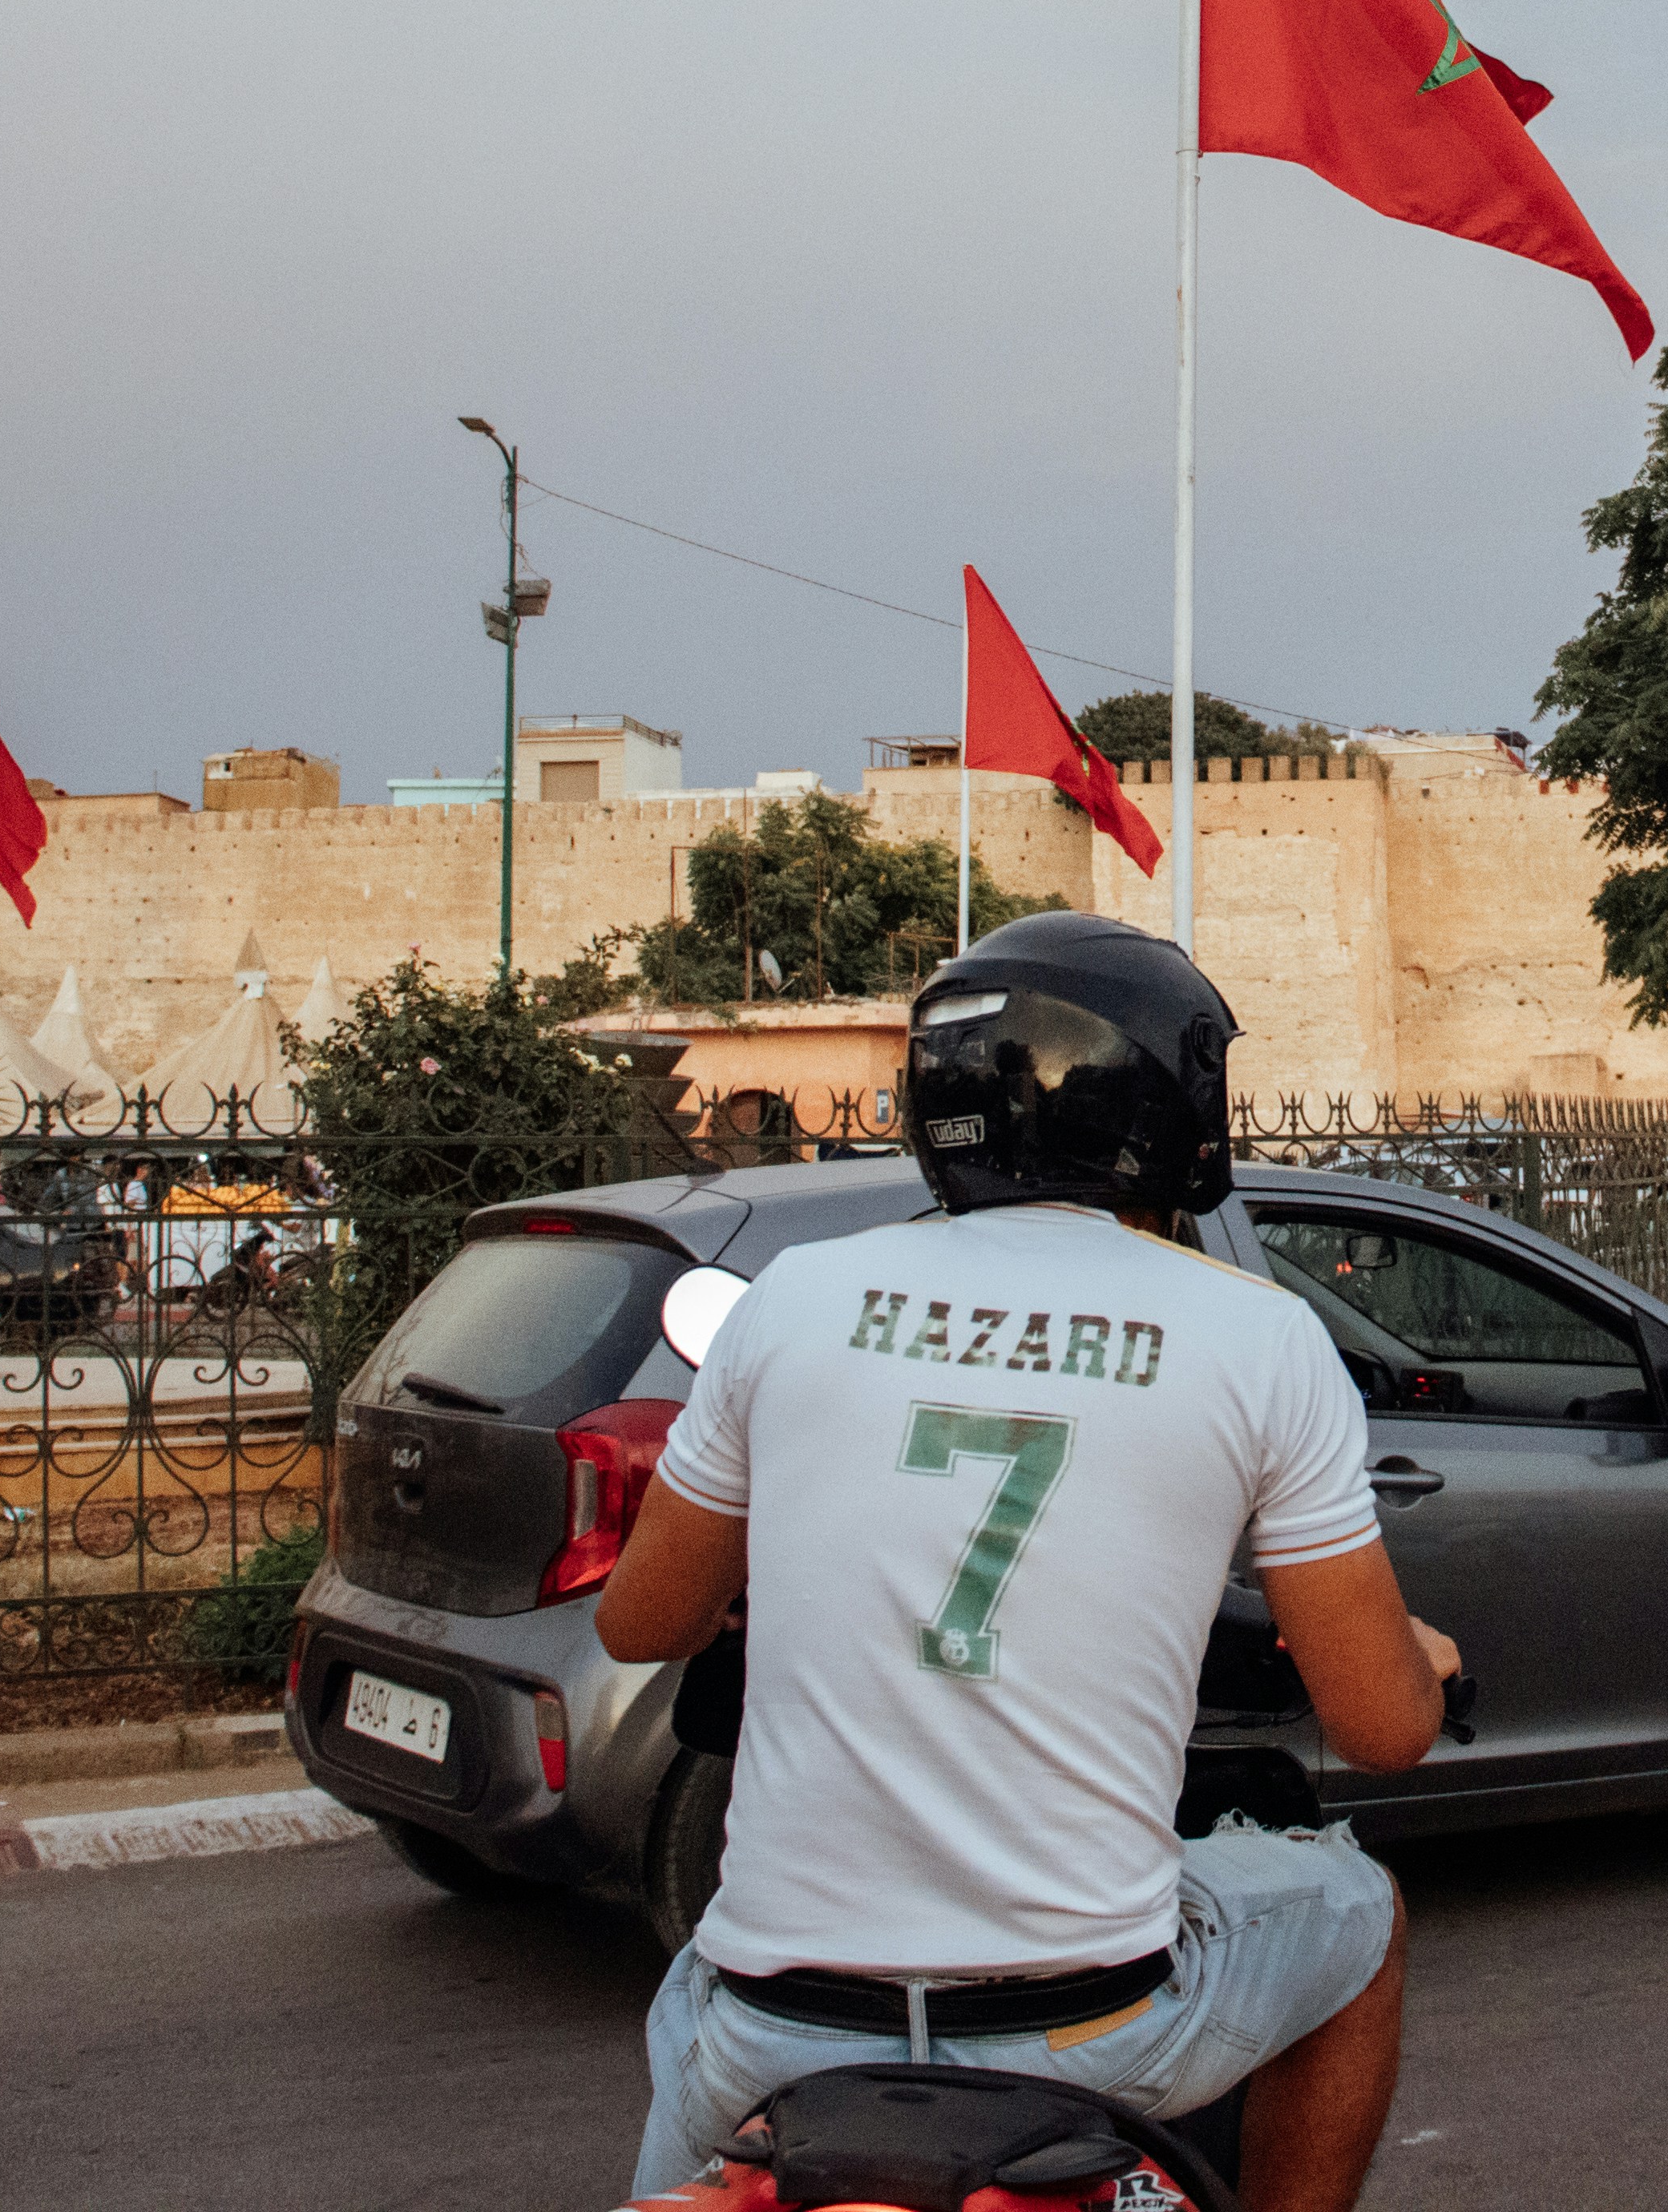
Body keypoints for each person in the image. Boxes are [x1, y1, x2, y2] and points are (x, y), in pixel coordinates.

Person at [592, 914, 1458, 2212]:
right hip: (1088, 2028)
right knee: (1358, 1912)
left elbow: (641, 1624)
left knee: (688, 2053)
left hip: (778, 2036)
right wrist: (1418, 1660)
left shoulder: (791, 1301)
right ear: (1169, 1112)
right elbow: (1383, 1730)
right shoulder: (1262, 1340)